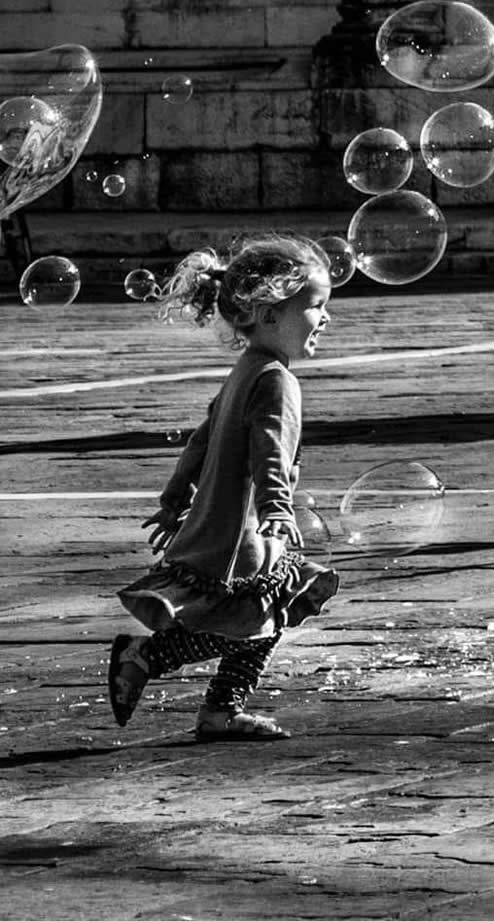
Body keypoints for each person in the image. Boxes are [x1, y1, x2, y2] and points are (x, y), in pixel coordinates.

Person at [108, 233, 338, 741]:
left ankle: (220, 712)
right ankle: (147, 657)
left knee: (268, 617)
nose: (325, 318)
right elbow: (270, 450)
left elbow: (202, 438)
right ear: (269, 312)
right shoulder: (277, 379)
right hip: (246, 535)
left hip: (227, 525)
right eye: (316, 307)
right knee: (256, 618)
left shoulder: (246, 368)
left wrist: (174, 501)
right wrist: (278, 508)